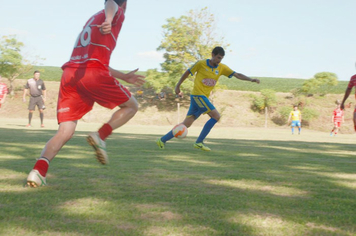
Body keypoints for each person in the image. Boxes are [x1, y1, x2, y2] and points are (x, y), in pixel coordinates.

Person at [26, 0, 145, 188]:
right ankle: (101, 135)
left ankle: (38, 172)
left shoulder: (91, 20)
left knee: (65, 131)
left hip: (71, 74)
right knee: (132, 106)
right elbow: (112, 3)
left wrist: (124, 76)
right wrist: (110, 17)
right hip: (92, 73)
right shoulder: (116, 13)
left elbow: (96, 58)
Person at [156, 46, 260, 151]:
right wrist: (178, 86)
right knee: (216, 116)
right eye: (218, 58)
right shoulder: (200, 64)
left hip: (202, 97)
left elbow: (237, 74)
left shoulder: (221, 68)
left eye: (221, 58)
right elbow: (187, 73)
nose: (219, 61)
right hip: (197, 95)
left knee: (187, 123)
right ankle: (199, 142)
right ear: (212, 55)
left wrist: (251, 80)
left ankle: (162, 140)